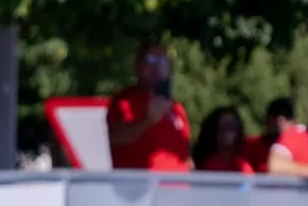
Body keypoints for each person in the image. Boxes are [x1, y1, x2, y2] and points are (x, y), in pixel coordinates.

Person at [106, 43, 192, 172]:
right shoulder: (125, 101)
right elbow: (115, 138)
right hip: (140, 182)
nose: (157, 66)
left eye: (163, 60)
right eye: (150, 59)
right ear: (137, 64)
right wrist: (147, 121)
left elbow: (184, 153)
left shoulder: (177, 108)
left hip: (178, 184)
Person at [192, 107, 257, 173]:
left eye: (232, 126)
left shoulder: (243, 166)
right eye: (223, 127)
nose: (227, 132)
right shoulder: (207, 164)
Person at [244, 98, 296, 172]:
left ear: (293, 122)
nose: (279, 121)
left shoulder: (301, 147)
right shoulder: (250, 145)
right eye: (275, 114)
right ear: (266, 118)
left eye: (286, 116)